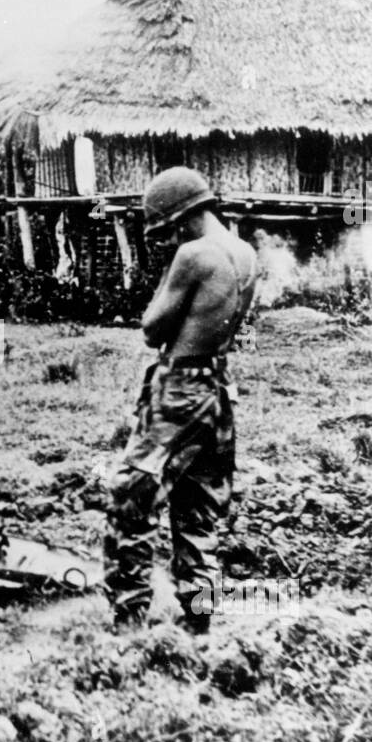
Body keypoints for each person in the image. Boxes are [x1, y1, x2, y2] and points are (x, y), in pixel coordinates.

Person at [103, 168, 257, 634]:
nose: (166, 242)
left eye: (166, 231)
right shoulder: (246, 253)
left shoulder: (194, 253)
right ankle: (199, 623)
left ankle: (128, 621)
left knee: (132, 496)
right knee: (198, 510)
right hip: (217, 389)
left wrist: (168, 274)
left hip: (178, 389)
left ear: (184, 218)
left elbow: (153, 329)